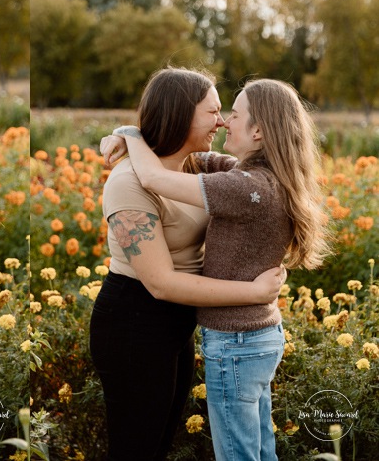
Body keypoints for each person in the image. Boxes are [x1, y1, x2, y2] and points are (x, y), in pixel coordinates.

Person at [108, 78, 330, 460]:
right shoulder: (259, 177)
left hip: (234, 337)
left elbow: (156, 177)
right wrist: (130, 136)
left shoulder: (243, 185)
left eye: (232, 114)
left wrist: (130, 134)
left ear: (258, 131)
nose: (224, 122)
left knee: (237, 452)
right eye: (215, 112)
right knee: (255, 448)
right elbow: (187, 168)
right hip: (163, 325)